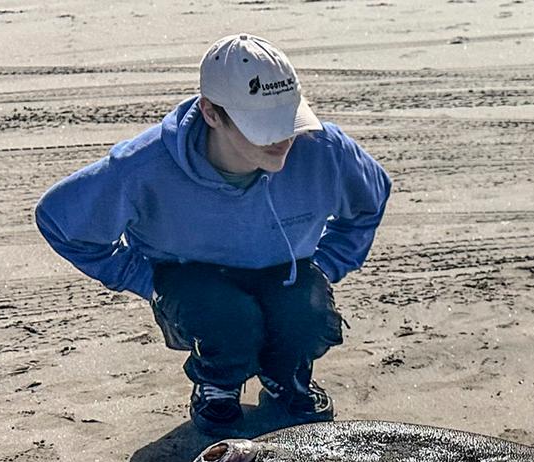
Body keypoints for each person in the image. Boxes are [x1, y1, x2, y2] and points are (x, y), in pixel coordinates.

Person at [35, 34, 391, 436]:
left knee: (307, 315)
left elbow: (371, 199)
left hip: (286, 271)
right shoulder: (143, 166)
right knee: (228, 322)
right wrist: (144, 280)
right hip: (192, 281)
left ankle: (286, 376)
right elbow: (59, 220)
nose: (282, 139)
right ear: (210, 112)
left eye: (288, 119)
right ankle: (217, 385)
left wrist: (328, 264)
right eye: (262, 125)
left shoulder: (324, 149)